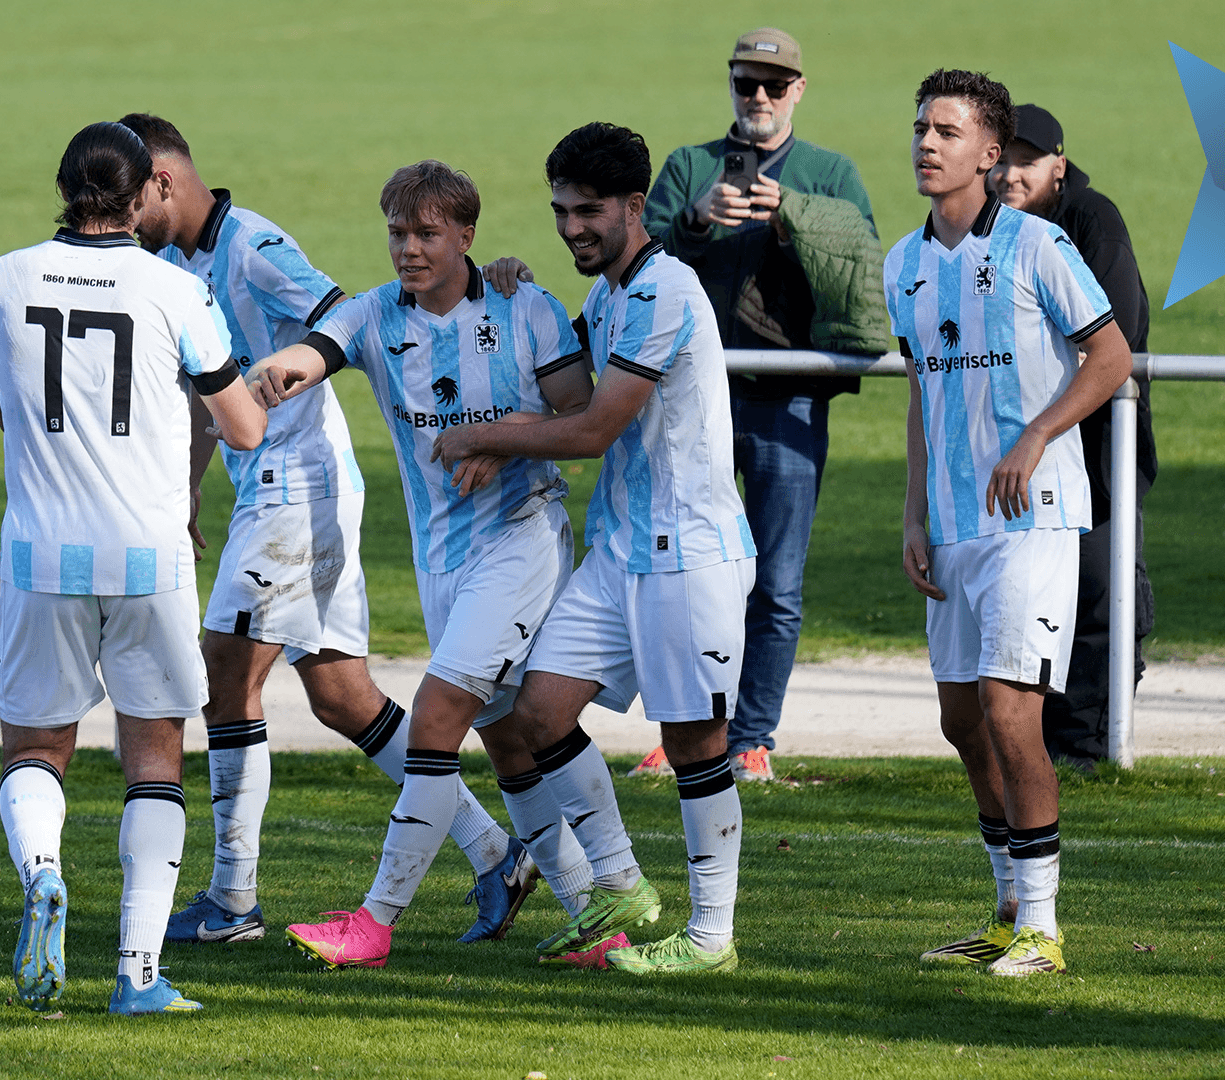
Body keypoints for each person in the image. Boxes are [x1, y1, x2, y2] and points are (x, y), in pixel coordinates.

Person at [117, 114, 540, 946]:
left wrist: (470, 287)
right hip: (271, 491)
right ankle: (496, 853)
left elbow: (344, 319)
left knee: (223, 672)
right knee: (343, 698)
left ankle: (233, 902)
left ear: (164, 180)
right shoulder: (172, 261)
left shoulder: (254, 248)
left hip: (298, 488)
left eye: (130, 199)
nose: (123, 219)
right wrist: (194, 491)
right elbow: (211, 387)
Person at [244, 160, 597, 970]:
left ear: (466, 236)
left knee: (435, 720)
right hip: (443, 559)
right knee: (509, 741)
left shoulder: (525, 307)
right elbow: (317, 351)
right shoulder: (375, 316)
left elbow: (581, 412)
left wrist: (499, 436)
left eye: (427, 233)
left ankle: (374, 923)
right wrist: (277, 375)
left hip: (523, 535)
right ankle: (594, 914)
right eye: (398, 233)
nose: (408, 248)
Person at [433, 122, 757, 976]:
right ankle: (620, 886)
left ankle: (712, 939)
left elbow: (594, 427)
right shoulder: (610, 294)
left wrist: (486, 435)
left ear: (634, 207)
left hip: (689, 553)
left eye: (589, 212)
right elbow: (566, 380)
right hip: (622, 552)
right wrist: (505, 287)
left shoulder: (663, 291)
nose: (573, 227)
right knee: (536, 712)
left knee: (694, 742)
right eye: (560, 212)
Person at [0, 121, 267, 1015]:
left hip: (40, 552)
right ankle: (138, 973)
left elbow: (7, 413)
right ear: (144, 193)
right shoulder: (175, 287)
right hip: (148, 553)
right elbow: (244, 426)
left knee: (35, 746)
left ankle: (45, 872)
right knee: (155, 757)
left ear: (62, 187)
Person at [888, 71, 1133, 976]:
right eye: (920, 127)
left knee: (1010, 712)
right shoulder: (902, 264)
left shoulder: (1039, 246)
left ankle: (1044, 926)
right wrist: (912, 512)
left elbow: (1109, 357)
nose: (925, 142)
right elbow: (920, 392)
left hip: (1035, 521)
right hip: (951, 528)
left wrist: (1036, 434)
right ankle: (1002, 910)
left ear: (990, 155)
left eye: (946, 131)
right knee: (962, 723)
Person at [636, 28, 887, 784]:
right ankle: (683, 731)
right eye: (748, 83)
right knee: (684, 571)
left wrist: (795, 215)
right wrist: (696, 219)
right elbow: (633, 263)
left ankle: (752, 737)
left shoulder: (829, 172)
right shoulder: (688, 168)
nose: (761, 99)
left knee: (776, 579)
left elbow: (863, 260)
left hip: (790, 399)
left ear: (800, 91)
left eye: (776, 86)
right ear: (733, 85)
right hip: (693, 403)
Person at [989, 104, 1157, 771]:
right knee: (1032, 591)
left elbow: (1115, 336)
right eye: (1001, 157)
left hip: (1097, 442)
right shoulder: (990, 229)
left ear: (1058, 164)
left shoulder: (1091, 219)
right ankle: (1046, 742)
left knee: (1099, 586)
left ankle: (1090, 745)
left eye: (1026, 160)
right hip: (1025, 446)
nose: (1009, 173)